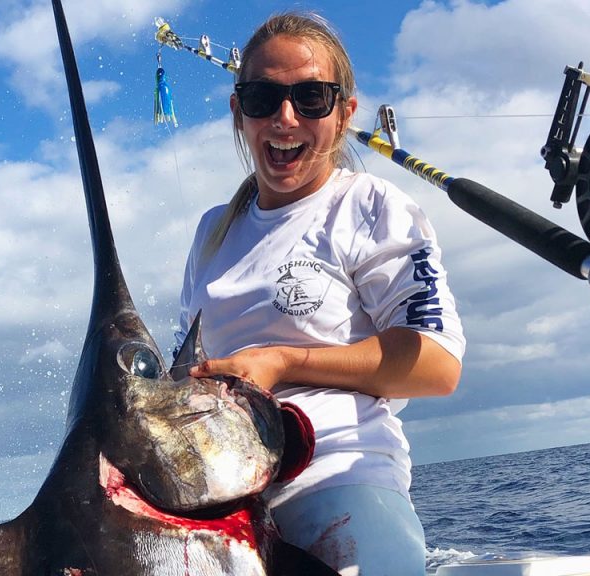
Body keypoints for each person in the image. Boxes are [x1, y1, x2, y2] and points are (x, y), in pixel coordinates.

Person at [175, 11, 466, 576]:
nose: (286, 118)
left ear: (343, 114)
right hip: (223, 501)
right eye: (263, 97)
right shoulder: (212, 231)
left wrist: (281, 362)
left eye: (312, 97)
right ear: (239, 113)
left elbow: (435, 364)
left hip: (339, 483)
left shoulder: (371, 206)